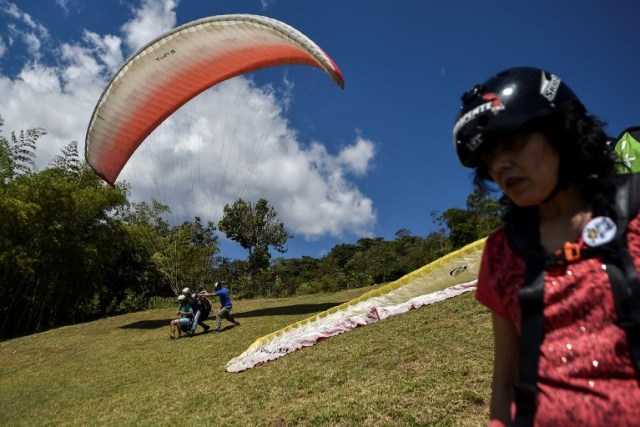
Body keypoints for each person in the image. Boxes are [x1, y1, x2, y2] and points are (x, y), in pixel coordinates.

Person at [452, 66, 640, 426]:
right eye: (489, 157)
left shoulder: (634, 209)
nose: (501, 164)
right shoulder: (502, 252)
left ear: (561, 131)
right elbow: (506, 379)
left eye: (515, 142)